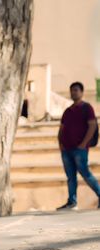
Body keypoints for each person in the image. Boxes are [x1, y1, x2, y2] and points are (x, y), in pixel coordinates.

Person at [57, 82, 100, 210]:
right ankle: (72, 201)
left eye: (76, 90)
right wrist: (61, 144)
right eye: (72, 90)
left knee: (85, 174)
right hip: (66, 149)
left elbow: (92, 126)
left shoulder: (87, 108)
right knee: (70, 177)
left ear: (81, 92)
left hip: (80, 149)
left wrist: (83, 144)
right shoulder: (67, 111)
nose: (73, 92)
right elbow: (61, 129)